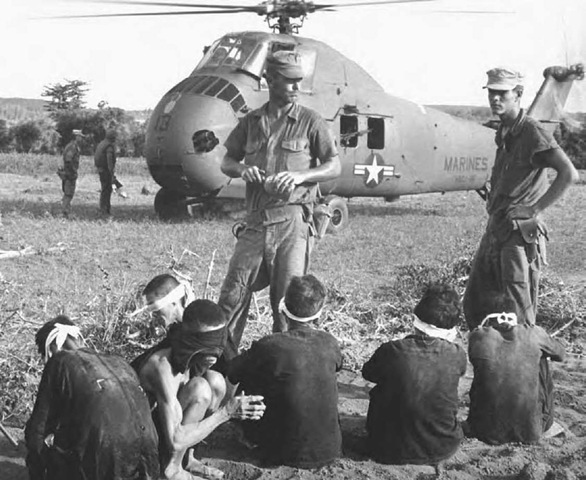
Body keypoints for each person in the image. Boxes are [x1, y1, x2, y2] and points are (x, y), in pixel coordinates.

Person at [219, 50, 341, 359]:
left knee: (288, 305)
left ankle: (287, 369)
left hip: (292, 222)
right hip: (256, 222)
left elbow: (334, 166)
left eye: (299, 81)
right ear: (269, 80)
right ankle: (223, 365)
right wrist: (243, 169)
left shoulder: (310, 121)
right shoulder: (251, 121)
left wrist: (301, 176)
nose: (296, 87)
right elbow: (227, 161)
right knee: (232, 296)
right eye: (289, 82)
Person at [463, 67, 579, 329]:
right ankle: (493, 363)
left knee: (519, 312)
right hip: (497, 227)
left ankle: (530, 367)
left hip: (517, 233)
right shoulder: (505, 131)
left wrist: (534, 208)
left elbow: (569, 174)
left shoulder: (531, 131)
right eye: (491, 92)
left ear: (518, 95)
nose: (495, 98)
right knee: (476, 302)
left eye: (502, 93)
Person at [131, 299, 265, 480]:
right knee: (200, 389)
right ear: (191, 340)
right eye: (208, 343)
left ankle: (187, 459)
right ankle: (171, 470)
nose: (216, 352)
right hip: (141, 437)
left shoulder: (196, 356)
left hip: (168, 424)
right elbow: (175, 440)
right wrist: (226, 413)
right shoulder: (162, 366)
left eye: (219, 341)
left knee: (216, 382)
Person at [227, 274, 342, 468]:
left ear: (283, 310)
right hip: (330, 449)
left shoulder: (269, 346)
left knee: (252, 374)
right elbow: (337, 365)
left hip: (280, 452)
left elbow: (233, 372)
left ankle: (250, 436)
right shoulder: (330, 343)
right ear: (319, 313)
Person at [25, 315, 160, 480]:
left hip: (107, 456)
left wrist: (36, 471)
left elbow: (37, 431)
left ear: (52, 347)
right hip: (150, 458)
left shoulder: (59, 361)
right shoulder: (119, 362)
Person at [362, 284, 467, 465]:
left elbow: (368, 373)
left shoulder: (392, 350)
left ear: (417, 317)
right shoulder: (457, 354)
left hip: (386, 448)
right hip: (442, 446)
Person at [466, 291, 566, 445]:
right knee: (541, 359)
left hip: (483, 430)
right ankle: (537, 420)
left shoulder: (477, 337)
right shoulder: (534, 333)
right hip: (530, 432)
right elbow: (560, 354)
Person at [94, 128, 123, 216]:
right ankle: (105, 210)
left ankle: (103, 208)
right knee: (107, 190)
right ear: (112, 137)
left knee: (104, 189)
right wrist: (112, 174)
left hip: (101, 170)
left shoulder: (102, 144)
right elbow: (109, 160)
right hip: (106, 171)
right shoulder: (109, 146)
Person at [57, 129, 84, 217]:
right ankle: (64, 212)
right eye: (80, 136)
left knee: (68, 193)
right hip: (69, 173)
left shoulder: (71, 146)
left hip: (67, 172)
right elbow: (68, 160)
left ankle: (67, 210)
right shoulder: (72, 147)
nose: (81, 138)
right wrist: (72, 172)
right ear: (76, 137)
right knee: (68, 194)